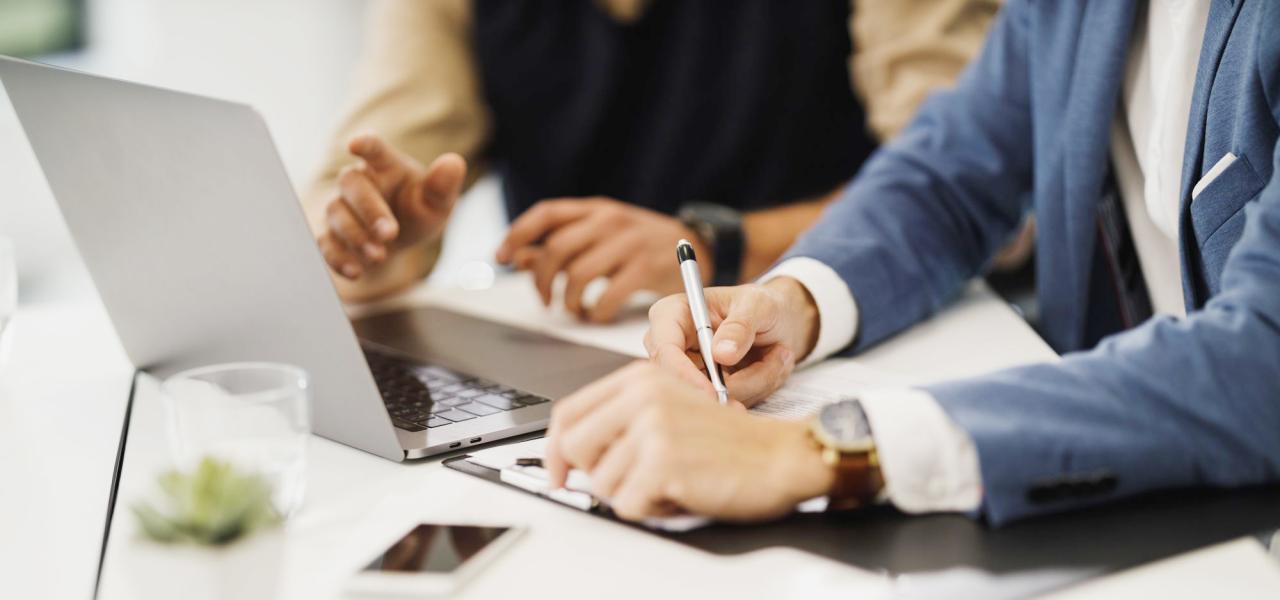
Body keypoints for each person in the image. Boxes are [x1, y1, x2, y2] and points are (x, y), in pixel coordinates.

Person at [543, 0, 1280, 525]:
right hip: (1131, 508)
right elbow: (952, 174)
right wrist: (794, 302)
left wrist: (826, 448)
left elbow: (1264, 359)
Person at [304, 0, 1000, 322]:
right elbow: (352, 189)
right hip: (569, 362)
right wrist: (368, 240)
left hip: (842, 336)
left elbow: (982, 192)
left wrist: (716, 245)